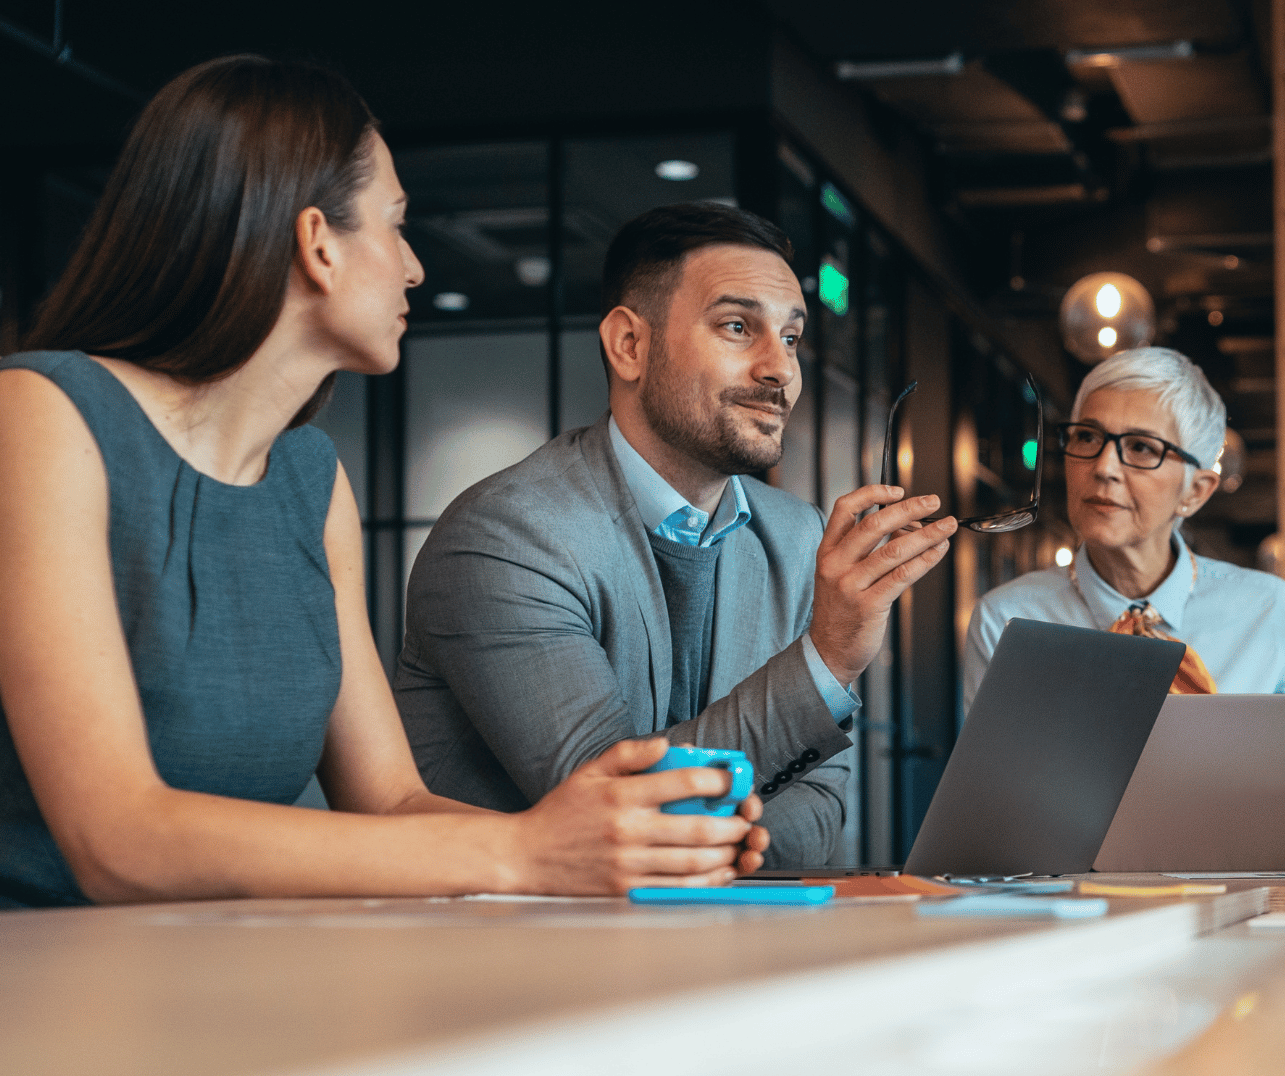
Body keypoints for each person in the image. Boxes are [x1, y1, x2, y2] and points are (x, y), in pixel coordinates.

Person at [0, 58, 771, 909]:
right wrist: (522, 852)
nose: (413, 268)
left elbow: (391, 802)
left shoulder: (307, 478)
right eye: (396, 225)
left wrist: (630, 847)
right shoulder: (39, 415)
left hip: (218, 985)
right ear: (318, 244)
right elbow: (119, 839)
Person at [395, 204, 954, 867]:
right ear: (629, 345)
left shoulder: (800, 535)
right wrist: (827, 660)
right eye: (738, 327)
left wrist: (708, 843)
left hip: (725, 951)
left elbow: (823, 798)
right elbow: (624, 808)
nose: (781, 370)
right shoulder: (507, 536)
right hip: (526, 957)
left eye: (793, 338)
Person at [963, 347, 1285, 709]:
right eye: (1087, 437)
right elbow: (991, 768)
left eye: (1142, 447)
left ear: (1195, 491)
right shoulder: (1006, 620)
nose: (1104, 467)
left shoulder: (1270, 611)